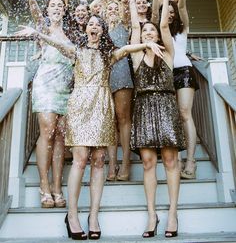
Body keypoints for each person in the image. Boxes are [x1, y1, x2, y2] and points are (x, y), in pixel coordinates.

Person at [16, 15, 164, 240]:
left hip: (102, 105)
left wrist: (146, 44)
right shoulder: (75, 50)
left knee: (98, 160)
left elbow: (125, 49)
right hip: (80, 106)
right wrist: (37, 33)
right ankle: (72, 215)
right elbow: (56, 43)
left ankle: (93, 216)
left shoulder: (108, 55)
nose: (94, 27)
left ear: (103, 31)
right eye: (91, 24)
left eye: (98, 24)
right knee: (80, 159)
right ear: (86, 29)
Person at [129, 0, 186, 238]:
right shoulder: (137, 55)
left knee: (171, 160)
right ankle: (152, 214)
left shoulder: (168, 53)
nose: (150, 32)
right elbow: (133, 26)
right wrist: (130, 0)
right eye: (146, 31)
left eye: (152, 30)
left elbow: (164, 24)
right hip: (143, 107)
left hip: (166, 105)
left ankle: (173, 213)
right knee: (149, 162)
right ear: (141, 36)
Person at [20, 0, 74, 209]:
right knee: (48, 130)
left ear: (64, 10)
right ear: (47, 9)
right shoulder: (43, 27)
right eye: (52, 5)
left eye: (60, 6)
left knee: (61, 135)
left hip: (66, 88)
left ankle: (57, 187)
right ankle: (44, 186)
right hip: (46, 85)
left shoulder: (71, 32)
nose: (56, 8)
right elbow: (35, 13)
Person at [168, 0, 199, 179]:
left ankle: (190, 160)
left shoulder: (183, 26)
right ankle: (176, 159)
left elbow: (181, 6)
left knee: (185, 113)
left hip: (185, 71)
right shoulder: (160, 28)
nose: (172, 11)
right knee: (174, 116)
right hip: (168, 74)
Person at [105, 0, 134, 181]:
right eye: (110, 8)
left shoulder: (124, 25)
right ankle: (112, 163)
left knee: (123, 117)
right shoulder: (100, 27)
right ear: (105, 11)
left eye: (116, 8)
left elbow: (125, 1)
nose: (113, 10)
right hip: (103, 72)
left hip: (122, 69)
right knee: (109, 120)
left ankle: (125, 163)